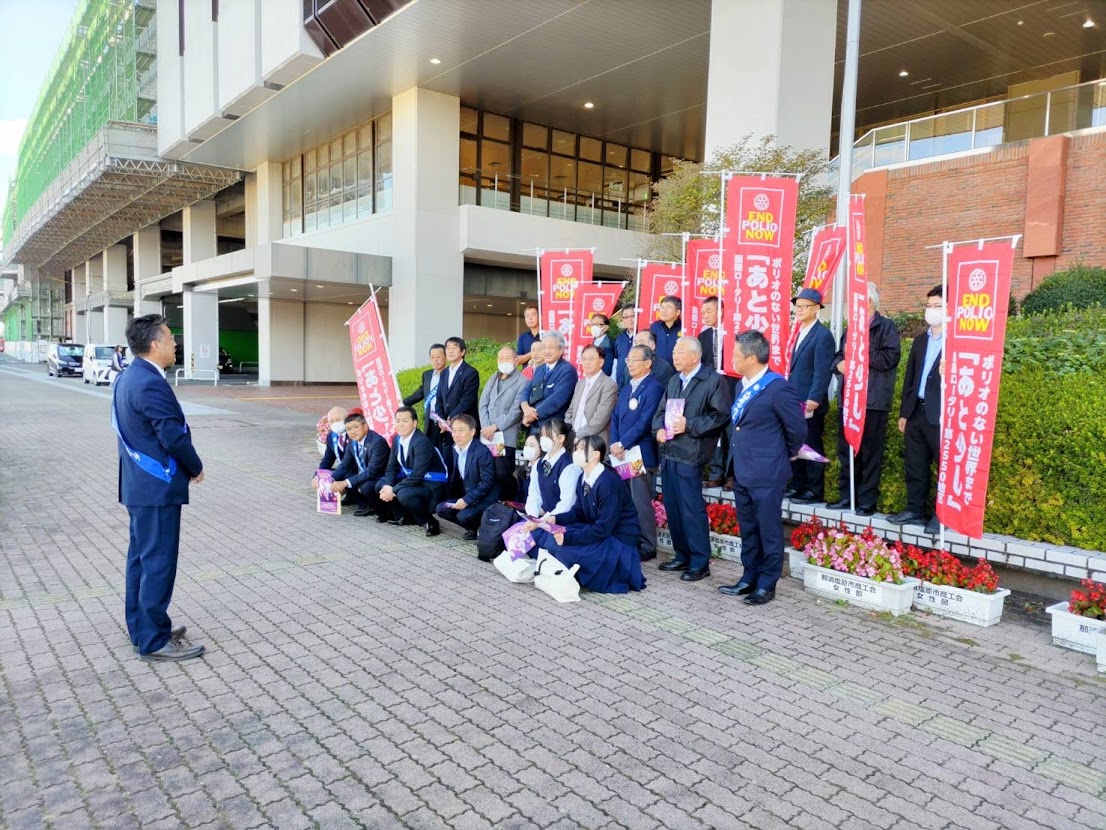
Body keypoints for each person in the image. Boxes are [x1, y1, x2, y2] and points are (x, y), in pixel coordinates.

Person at [113, 314, 205, 662]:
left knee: (141, 559)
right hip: (157, 487)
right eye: (169, 337)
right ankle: (153, 641)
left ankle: (143, 628)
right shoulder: (151, 382)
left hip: (139, 487)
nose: (175, 342)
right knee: (158, 563)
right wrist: (195, 467)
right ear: (154, 343)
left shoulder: (129, 376)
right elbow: (171, 435)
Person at [718, 331, 809, 606]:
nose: (731, 359)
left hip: (768, 472)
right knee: (748, 528)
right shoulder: (741, 385)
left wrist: (785, 454)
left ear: (752, 356)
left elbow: (797, 429)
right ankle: (749, 577)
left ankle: (767, 583)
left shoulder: (778, 387)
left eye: (735, 355)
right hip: (743, 470)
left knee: (768, 529)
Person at [652, 336, 731, 582]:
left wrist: (690, 425)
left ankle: (700, 561)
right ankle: (681, 555)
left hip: (691, 453)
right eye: (674, 353)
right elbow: (661, 412)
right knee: (673, 507)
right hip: (669, 453)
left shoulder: (712, 380)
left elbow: (720, 416)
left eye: (680, 353)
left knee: (691, 509)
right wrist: (659, 430)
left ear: (695, 356)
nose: (674, 357)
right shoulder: (675, 380)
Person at [528, 435, 645, 594]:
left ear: (596, 454)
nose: (577, 452)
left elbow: (603, 528)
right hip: (597, 528)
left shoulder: (608, 482)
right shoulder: (583, 476)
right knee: (550, 537)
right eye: (577, 448)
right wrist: (555, 518)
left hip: (618, 538)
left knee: (565, 548)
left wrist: (569, 538)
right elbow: (578, 512)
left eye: (583, 449)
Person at [827, 282, 902, 516]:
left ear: (869, 302)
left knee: (870, 452)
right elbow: (838, 357)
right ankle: (846, 496)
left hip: (872, 401)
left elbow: (890, 358)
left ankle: (867, 500)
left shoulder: (885, 327)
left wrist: (860, 351)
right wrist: (839, 364)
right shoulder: (850, 329)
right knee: (846, 450)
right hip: (849, 401)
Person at [889, 285, 946, 535]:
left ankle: (941, 516)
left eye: (938, 306)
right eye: (929, 305)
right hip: (917, 411)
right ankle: (915, 509)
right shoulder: (922, 340)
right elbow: (911, 377)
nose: (931, 311)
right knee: (915, 463)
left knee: (943, 467)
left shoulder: (960, 342)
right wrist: (904, 411)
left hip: (942, 413)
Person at [609, 344, 665, 562]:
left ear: (648, 363)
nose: (629, 364)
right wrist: (615, 442)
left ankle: (648, 545)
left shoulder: (654, 388)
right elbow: (615, 417)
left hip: (640, 454)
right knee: (627, 499)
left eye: (634, 360)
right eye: (628, 360)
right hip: (622, 453)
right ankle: (631, 537)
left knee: (641, 500)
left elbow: (645, 422)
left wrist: (623, 443)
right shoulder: (626, 387)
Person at [785, 287, 835, 504]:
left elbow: (822, 370)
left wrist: (814, 399)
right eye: (797, 305)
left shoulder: (822, 335)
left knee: (811, 444)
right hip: (793, 398)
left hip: (809, 401)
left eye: (805, 306)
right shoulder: (797, 331)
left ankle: (814, 491)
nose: (799, 310)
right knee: (796, 443)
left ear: (816, 309)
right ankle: (798, 485)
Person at [377, 407, 449, 537]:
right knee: (381, 485)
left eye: (405, 421)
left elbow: (417, 475)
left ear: (415, 423)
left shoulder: (421, 442)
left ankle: (429, 522)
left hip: (431, 485)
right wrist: (388, 486)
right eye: (398, 421)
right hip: (415, 481)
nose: (400, 424)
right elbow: (391, 468)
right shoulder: (397, 439)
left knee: (404, 494)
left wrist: (392, 490)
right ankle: (404, 517)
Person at [437, 415, 500, 540]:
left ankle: (481, 529)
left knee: (463, 516)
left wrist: (466, 500)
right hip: (468, 494)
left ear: (472, 432)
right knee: (441, 509)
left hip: (485, 498)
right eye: (454, 430)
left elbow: (487, 482)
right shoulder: (455, 449)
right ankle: (473, 528)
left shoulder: (482, 452)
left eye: (461, 430)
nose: (456, 434)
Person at [479, 344, 528, 501]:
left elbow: (515, 411)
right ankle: (493, 503)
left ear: (515, 360)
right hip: (488, 435)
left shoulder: (523, 381)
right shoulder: (494, 377)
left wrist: (495, 427)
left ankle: (512, 499)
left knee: (502, 472)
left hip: (504, 435)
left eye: (507, 358)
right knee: (489, 472)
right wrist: (486, 427)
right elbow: (483, 403)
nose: (504, 361)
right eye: (501, 358)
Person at [326, 412, 390, 517]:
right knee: (345, 474)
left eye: (356, 427)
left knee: (365, 486)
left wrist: (345, 483)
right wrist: (329, 480)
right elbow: (346, 463)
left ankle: (383, 510)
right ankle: (364, 505)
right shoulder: (353, 441)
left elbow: (372, 471)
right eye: (349, 429)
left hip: (379, 476)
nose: (352, 431)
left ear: (365, 426)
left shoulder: (377, 442)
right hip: (364, 472)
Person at [520, 330, 577, 434]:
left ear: (561, 350)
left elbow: (557, 399)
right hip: (533, 425)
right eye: (544, 347)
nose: (546, 351)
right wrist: (525, 407)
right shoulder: (540, 368)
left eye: (550, 347)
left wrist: (532, 415)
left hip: (552, 428)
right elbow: (527, 389)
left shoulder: (567, 370)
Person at [524, 419, 581, 521]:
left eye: (548, 436)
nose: (543, 439)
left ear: (561, 438)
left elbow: (567, 502)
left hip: (562, 521)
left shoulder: (569, 466)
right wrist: (532, 517)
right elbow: (534, 494)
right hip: (543, 520)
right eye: (542, 435)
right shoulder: (539, 464)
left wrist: (545, 520)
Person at [564, 345, 618, 442]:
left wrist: (578, 436)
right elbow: (570, 411)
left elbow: (600, 420)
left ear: (601, 362)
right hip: (573, 439)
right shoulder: (580, 383)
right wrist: (569, 432)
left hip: (594, 441)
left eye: (591, 359)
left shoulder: (609, 385)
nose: (587, 362)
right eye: (584, 359)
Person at [436, 336, 481, 445]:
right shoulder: (444, 373)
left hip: (464, 426)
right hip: (447, 429)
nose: (450, 351)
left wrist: (450, 419)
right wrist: (441, 420)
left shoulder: (470, 372)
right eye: (448, 348)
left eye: (454, 348)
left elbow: (467, 401)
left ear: (462, 352)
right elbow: (439, 399)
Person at [403, 343, 447, 447]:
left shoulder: (450, 375)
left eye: (439, 357)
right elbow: (421, 392)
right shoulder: (427, 374)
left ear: (445, 357)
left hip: (444, 421)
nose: (436, 360)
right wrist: (403, 403)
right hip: (430, 421)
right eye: (432, 357)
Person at [649, 295, 683, 365]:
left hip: (678, 371)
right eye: (662, 307)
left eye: (668, 307)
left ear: (678, 312)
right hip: (658, 371)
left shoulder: (684, 327)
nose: (664, 310)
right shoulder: (655, 327)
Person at [316, 406, 349, 472]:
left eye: (338, 419)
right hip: (343, 470)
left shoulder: (354, 434)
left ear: (346, 418)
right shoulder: (331, 436)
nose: (335, 423)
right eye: (332, 421)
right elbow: (327, 460)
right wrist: (318, 475)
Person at [613, 305, 636, 387]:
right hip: (621, 382)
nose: (630, 319)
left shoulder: (643, 336)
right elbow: (616, 360)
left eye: (633, 316)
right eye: (626, 317)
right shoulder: (620, 338)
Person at [516, 434, 543, 501]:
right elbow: (520, 495)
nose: (528, 448)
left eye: (532, 446)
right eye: (526, 445)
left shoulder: (544, 469)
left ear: (541, 448)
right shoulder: (523, 470)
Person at [697, 296, 719, 370]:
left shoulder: (733, 334)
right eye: (703, 313)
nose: (705, 316)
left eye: (709, 311)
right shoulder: (702, 336)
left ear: (720, 311)